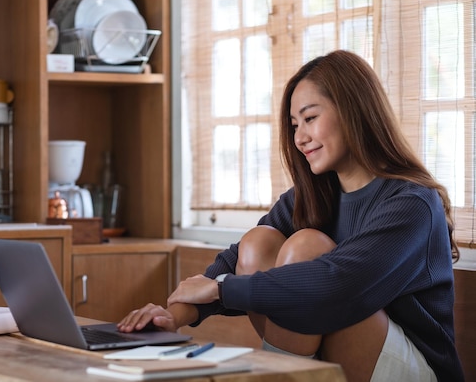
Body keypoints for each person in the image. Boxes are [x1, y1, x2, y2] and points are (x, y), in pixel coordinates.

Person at [117, 50, 464, 382]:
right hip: (333, 354)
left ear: (354, 111)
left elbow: (340, 284)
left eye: (310, 118)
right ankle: (283, 373)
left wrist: (220, 290)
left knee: (306, 248)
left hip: (416, 368)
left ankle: (278, 375)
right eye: (294, 124)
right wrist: (174, 316)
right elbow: (235, 260)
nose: (299, 137)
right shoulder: (313, 194)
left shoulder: (413, 203)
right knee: (258, 243)